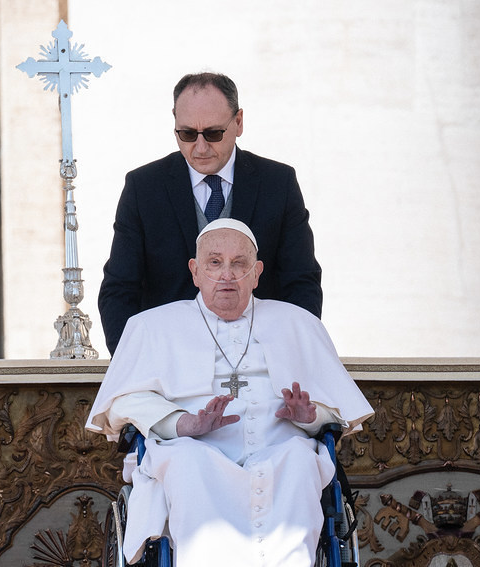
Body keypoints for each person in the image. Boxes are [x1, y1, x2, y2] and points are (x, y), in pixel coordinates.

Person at [87, 219, 372, 567]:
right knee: (188, 463)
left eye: (239, 264)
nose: (227, 275)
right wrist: (182, 423)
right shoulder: (151, 326)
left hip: (280, 452)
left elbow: (338, 413)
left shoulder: (299, 323)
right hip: (194, 451)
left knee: (301, 460)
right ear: (195, 271)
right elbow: (122, 403)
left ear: (257, 273)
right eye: (214, 263)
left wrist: (310, 417)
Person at [97, 71, 323, 355]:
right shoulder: (143, 188)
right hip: (169, 361)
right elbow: (119, 290)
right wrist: (134, 364)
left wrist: (290, 358)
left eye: (214, 133)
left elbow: (301, 283)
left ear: (238, 122)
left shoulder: (278, 184)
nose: (201, 147)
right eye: (187, 134)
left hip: (259, 360)